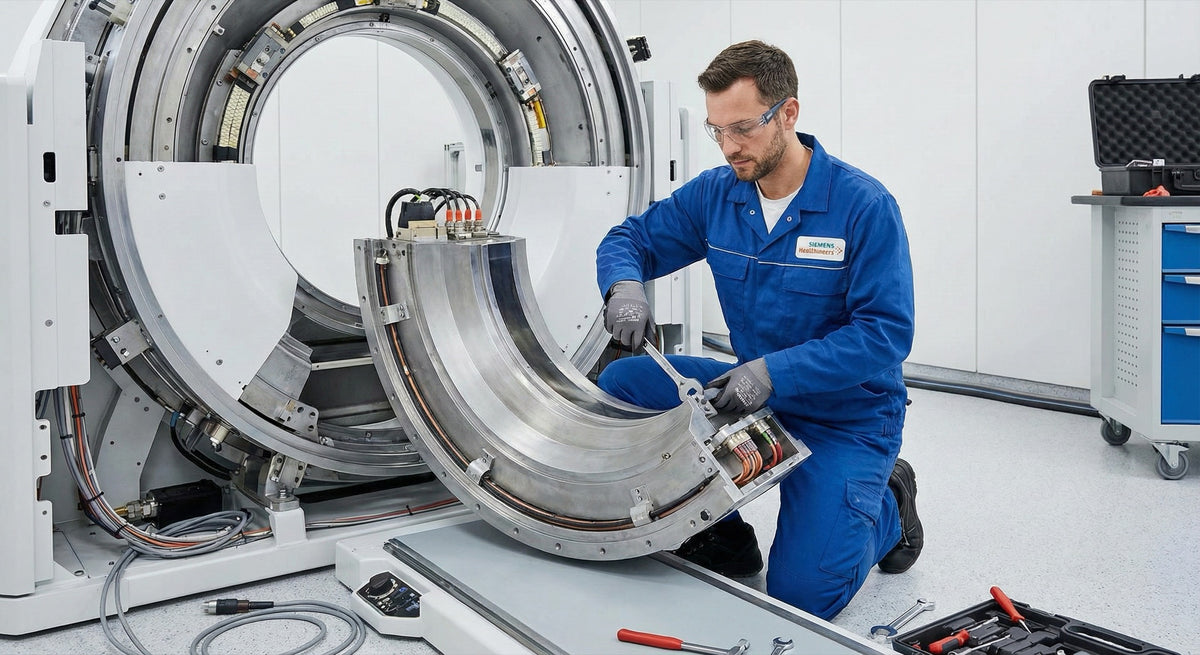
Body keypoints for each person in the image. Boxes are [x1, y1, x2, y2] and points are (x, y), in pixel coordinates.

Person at [594, 40, 920, 620]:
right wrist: (624, 285)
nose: (728, 147)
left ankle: (890, 503)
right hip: (747, 391)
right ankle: (721, 530)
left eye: (741, 128)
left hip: (847, 415)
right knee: (626, 382)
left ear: (788, 114)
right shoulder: (718, 195)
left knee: (801, 598)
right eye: (716, 130)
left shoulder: (862, 206)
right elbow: (631, 240)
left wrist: (775, 373)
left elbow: (884, 334)